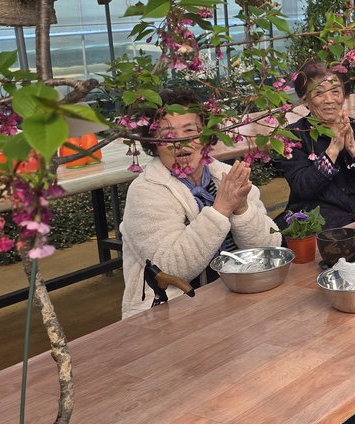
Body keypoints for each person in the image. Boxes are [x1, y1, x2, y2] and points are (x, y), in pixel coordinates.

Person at [120, 89, 280, 318]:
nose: (180, 142)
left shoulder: (225, 176)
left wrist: (242, 209)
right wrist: (221, 208)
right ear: (153, 143)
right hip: (173, 312)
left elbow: (269, 248)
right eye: (167, 135)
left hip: (238, 296)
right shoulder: (145, 191)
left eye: (190, 131)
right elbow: (171, 267)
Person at [279, 62, 355, 227]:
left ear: (344, 96)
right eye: (319, 93)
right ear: (305, 100)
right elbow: (301, 188)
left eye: (335, 91)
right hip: (317, 222)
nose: (329, 100)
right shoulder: (294, 135)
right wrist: (333, 151)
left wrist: (353, 149)